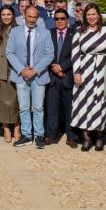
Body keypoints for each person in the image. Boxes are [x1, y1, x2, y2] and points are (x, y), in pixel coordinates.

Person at [7, 5, 55, 148]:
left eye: (35, 17)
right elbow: (10, 52)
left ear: (38, 17)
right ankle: (27, 135)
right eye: (29, 16)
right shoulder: (15, 32)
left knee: (39, 107)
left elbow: (49, 54)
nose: (32, 20)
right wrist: (22, 69)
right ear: (24, 15)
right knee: (24, 107)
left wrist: (35, 70)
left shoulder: (44, 33)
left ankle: (39, 135)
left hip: (38, 75)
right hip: (21, 75)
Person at [70, 3, 106, 152]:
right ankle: (86, 138)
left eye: (94, 14)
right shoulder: (79, 32)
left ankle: (100, 136)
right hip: (85, 71)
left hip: (102, 72)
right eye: (88, 15)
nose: (91, 17)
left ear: (98, 15)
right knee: (84, 103)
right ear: (84, 16)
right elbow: (75, 54)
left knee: (100, 103)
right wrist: (77, 73)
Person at [45, 8, 76, 147]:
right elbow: (43, 52)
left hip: (67, 76)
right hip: (52, 77)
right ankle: (52, 136)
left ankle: (71, 136)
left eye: (62, 18)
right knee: (52, 108)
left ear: (67, 20)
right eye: (57, 19)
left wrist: (62, 68)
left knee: (70, 109)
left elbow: (76, 54)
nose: (59, 21)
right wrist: (54, 67)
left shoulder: (74, 34)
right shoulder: (48, 34)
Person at [0, 6, 20, 143]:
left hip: (16, 70)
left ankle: (16, 126)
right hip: (1, 69)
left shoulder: (19, 30)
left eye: (9, 14)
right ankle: (6, 128)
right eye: (3, 14)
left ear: (13, 15)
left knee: (16, 101)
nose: (6, 17)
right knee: (2, 102)